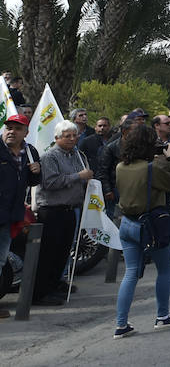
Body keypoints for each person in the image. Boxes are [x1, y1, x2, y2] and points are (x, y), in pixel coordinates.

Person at [113, 122, 170, 337]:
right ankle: (162, 316)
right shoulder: (151, 167)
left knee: (131, 273)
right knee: (165, 268)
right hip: (150, 225)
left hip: (127, 223)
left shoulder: (121, 166)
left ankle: (121, 324)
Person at [32, 120, 93, 305]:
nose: (72, 139)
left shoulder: (76, 154)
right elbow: (50, 182)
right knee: (48, 253)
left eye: (75, 135)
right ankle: (40, 293)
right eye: (67, 136)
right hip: (52, 210)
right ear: (57, 138)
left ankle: (55, 284)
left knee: (63, 252)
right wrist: (78, 177)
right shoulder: (50, 157)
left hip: (70, 209)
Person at [0, 113, 41, 319]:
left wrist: (36, 171)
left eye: (17, 129)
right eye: (8, 127)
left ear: (26, 132)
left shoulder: (30, 151)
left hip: (11, 216)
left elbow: (33, 182)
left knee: (0, 261)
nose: (11, 132)